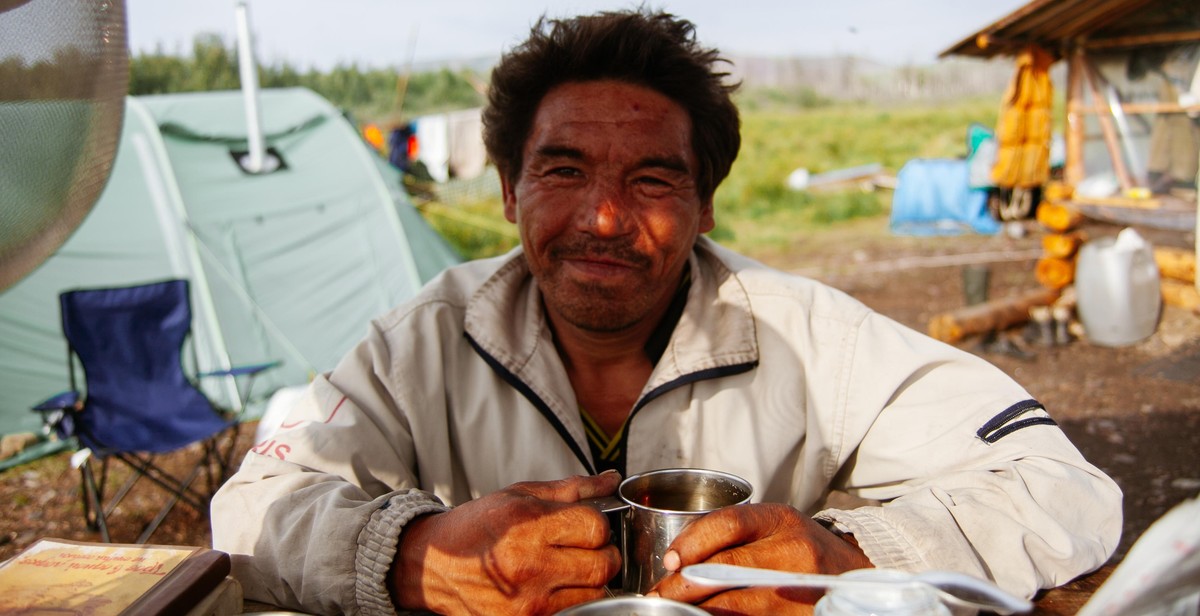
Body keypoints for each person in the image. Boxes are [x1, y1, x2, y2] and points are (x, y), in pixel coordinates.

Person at [212, 8, 1121, 615]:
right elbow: (251, 511)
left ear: (707, 206)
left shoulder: (811, 336)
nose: (604, 219)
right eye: (563, 171)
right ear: (507, 191)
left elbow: (1063, 487)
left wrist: (852, 556)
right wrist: (409, 555)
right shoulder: (421, 342)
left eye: (653, 178)